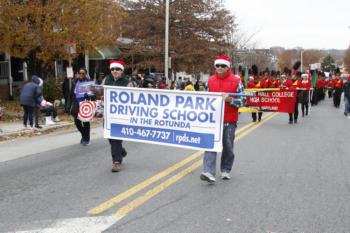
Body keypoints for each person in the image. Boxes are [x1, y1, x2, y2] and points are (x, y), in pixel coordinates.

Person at [200, 55, 244, 183]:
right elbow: (206, 101)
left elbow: (243, 101)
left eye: (223, 66)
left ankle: (225, 169)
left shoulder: (236, 81)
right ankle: (208, 172)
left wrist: (230, 99)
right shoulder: (210, 80)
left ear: (227, 67)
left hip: (229, 120)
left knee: (228, 147)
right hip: (213, 120)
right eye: (217, 65)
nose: (219, 68)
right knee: (210, 145)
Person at [103, 60, 129, 172]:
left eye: (117, 69)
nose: (114, 71)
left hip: (120, 114)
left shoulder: (127, 82)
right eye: (112, 69)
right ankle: (121, 152)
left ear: (122, 70)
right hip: (108, 114)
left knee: (115, 139)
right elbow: (101, 92)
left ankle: (116, 162)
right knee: (109, 137)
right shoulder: (106, 80)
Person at [70, 67, 94, 146]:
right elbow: (71, 94)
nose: (81, 75)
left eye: (83, 73)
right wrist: (69, 104)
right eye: (80, 73)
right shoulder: (75, 82)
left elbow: (93, 96)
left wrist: (88, 96)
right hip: (76, 105)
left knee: (86, 122)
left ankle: (87, 139)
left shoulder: (89, 83)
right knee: (77, 123)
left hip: (85, 105)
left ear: (85, 74)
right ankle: (84, 135)